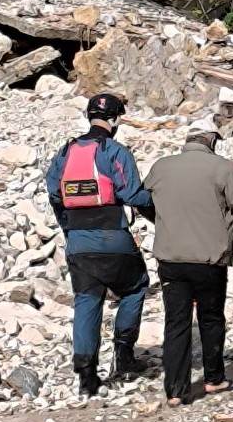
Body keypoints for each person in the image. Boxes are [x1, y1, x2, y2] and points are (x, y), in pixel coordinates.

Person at [45, 92, 154, 397]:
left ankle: (86, 375)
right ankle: (124, 355)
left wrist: (69, 228)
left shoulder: (65, 152)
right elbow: (133, 195)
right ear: (116, 120)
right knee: (135, 286)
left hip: (78, 241)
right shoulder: (116, 151)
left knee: (86, 299)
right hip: (113, 237)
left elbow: (55, 194)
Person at [146, 115, 233, 404]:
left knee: (176, 322)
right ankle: (214, 378)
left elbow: (144, 200)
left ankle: (175, 391)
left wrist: (163, 221)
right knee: (210, 318)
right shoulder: (222, 168)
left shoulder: (161, 166)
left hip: (171, 257)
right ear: (212, 140)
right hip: (210, 258)